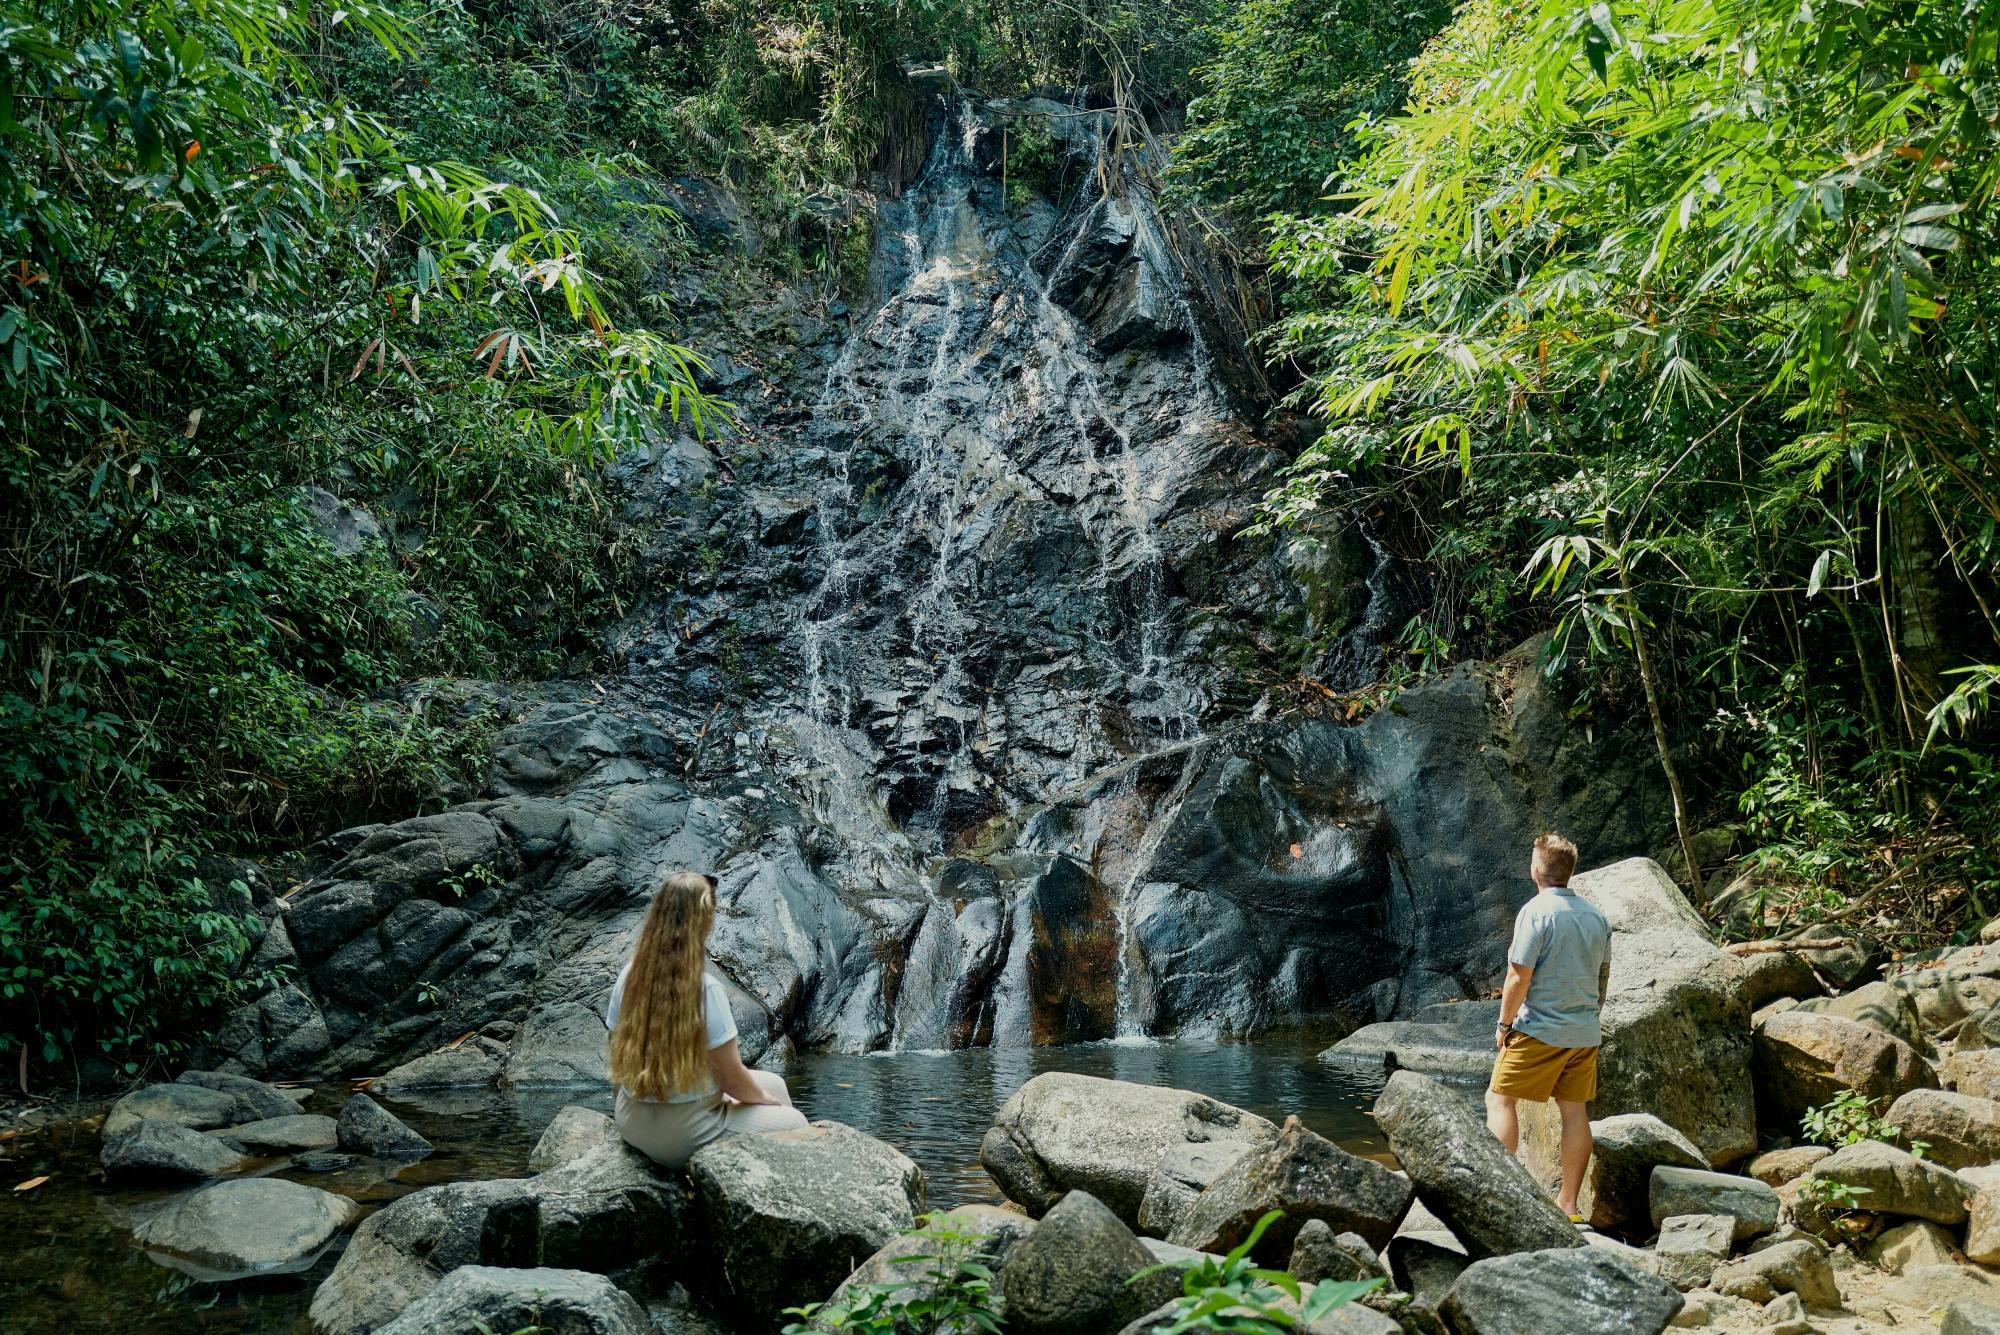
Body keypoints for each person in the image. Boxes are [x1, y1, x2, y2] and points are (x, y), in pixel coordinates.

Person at [605, 869, 807, 1167]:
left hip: (631, 1116)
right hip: (683, 1129)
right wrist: (764, 1103)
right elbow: (730, 1078)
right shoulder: (705, 989)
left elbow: (616, 1050)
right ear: (705, 922)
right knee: (795, 1121)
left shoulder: (630, 974)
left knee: (775, 1083)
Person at [1485, 832, 1611, 1224]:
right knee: (1574, 1112)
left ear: (1536, 870)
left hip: (1539, 1030)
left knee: (1499, 1099)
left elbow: (1517, 977)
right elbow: (1601, 977)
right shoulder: (1597, 917)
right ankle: (1569, 1206)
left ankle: (1497, 1195)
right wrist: (1589, 1017)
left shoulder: (1535, 912)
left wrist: (1504, 1023)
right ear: (1569, 872)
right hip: (1584, 1033)